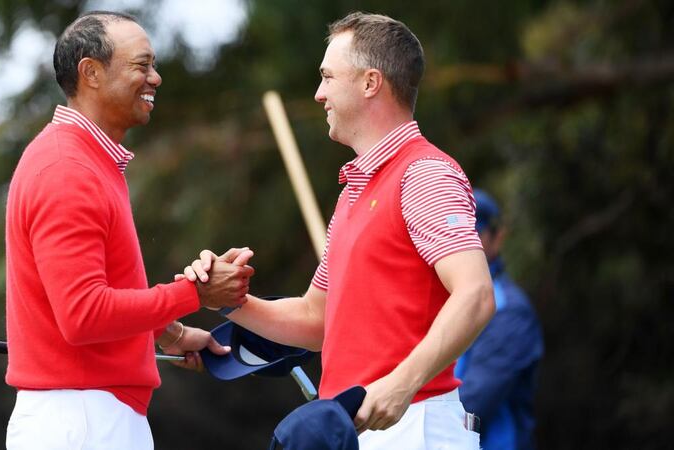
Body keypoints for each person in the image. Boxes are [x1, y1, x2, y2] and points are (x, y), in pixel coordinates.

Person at [183, 12, 494, 449]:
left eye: (328, 77)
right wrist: (230, 302)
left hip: (414, 422)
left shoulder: (424, 174)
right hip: (358, 427)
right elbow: (316, 319)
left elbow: (476, 294)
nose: (318, 94)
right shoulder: (354, 189)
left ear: (370, 83)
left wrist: (401, 384)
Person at [4, 11, 254, 450]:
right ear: (91, 73)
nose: (155, 78)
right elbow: (83, 315)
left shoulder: (83, 160)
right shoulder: (67, 168)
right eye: (142, 65)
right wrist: (196, 294)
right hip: (83, 421)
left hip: (89, 416)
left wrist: (170, 333)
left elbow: (100, 290)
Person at [455, 189, 544, 450]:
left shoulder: (510, 311)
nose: (463, 244)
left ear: (497, 238)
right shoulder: (440, 299)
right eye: (456, 234)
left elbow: (474, 402)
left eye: (474, 234)